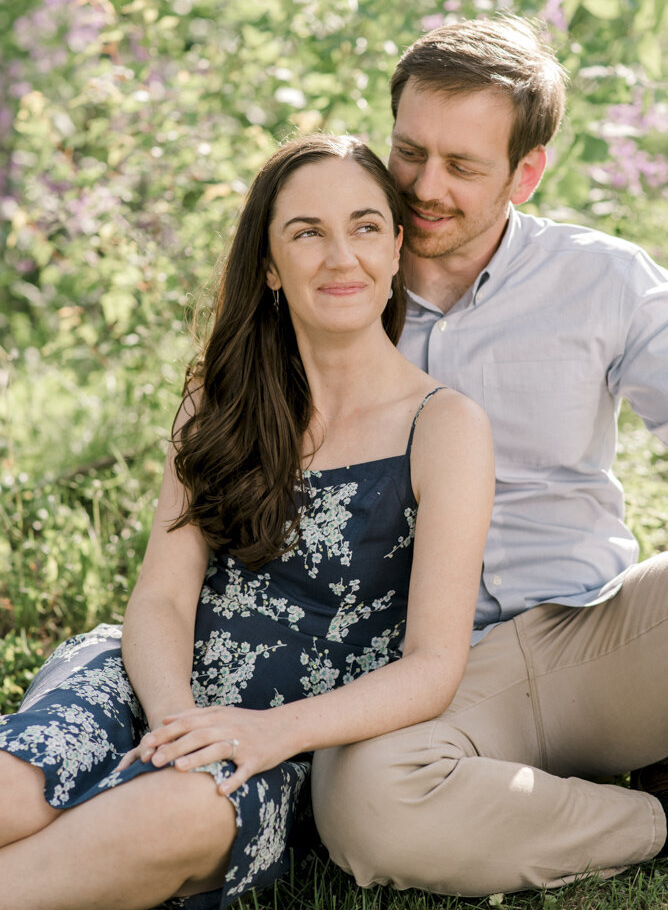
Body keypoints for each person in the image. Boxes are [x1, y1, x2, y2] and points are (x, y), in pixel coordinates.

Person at [0, 134, 494, 910]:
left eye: (365, 227)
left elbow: (433, 666)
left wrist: (256, 737)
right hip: (149, 684)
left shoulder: (444, 427)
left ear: (398, 250)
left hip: (279, 747)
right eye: (307, 232)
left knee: (171, 814)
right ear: (268, 265)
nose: (341, 257)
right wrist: (174, 725)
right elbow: (162, 598)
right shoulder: (218, 403)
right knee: (10, 793)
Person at [311, 16, 668, 896]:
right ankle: (649, 819)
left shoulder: (605, 279)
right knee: (366, 806)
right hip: (437, 679)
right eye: (409, 152)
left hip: (605, 632)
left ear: (527, 170)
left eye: (463, 167)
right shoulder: (336, 283)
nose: (425, 188)